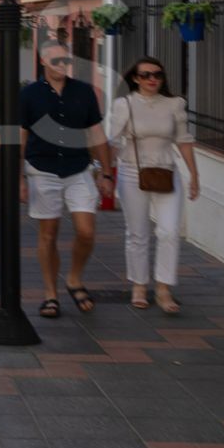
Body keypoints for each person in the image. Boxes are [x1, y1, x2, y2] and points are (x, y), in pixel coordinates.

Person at [18, 39, 115, 319]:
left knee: (86, 231)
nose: (63, 65)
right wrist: (19, 178)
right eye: (57, 60)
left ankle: (74, 278)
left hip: (78, 169)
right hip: (42, 170)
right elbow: (19, 137)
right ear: (44, 62)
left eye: (66, 61)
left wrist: (106, 173)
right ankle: (50, 294)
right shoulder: (29, 95)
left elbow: (97, 134)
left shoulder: (84, 92)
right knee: (48, 234)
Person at [109, 56, 199, 315]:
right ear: (135, 79)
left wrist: (194, 175)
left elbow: (184, 140)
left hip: (166, 172)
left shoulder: (175, 104)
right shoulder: (124, 104)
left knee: (169, 232)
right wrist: (104, 173)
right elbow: (114, 141)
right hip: (131, 173)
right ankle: (139, 285)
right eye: (146, 75)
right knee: (137, 233)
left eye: (157, 75)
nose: (152, 79)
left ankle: (163, 288)